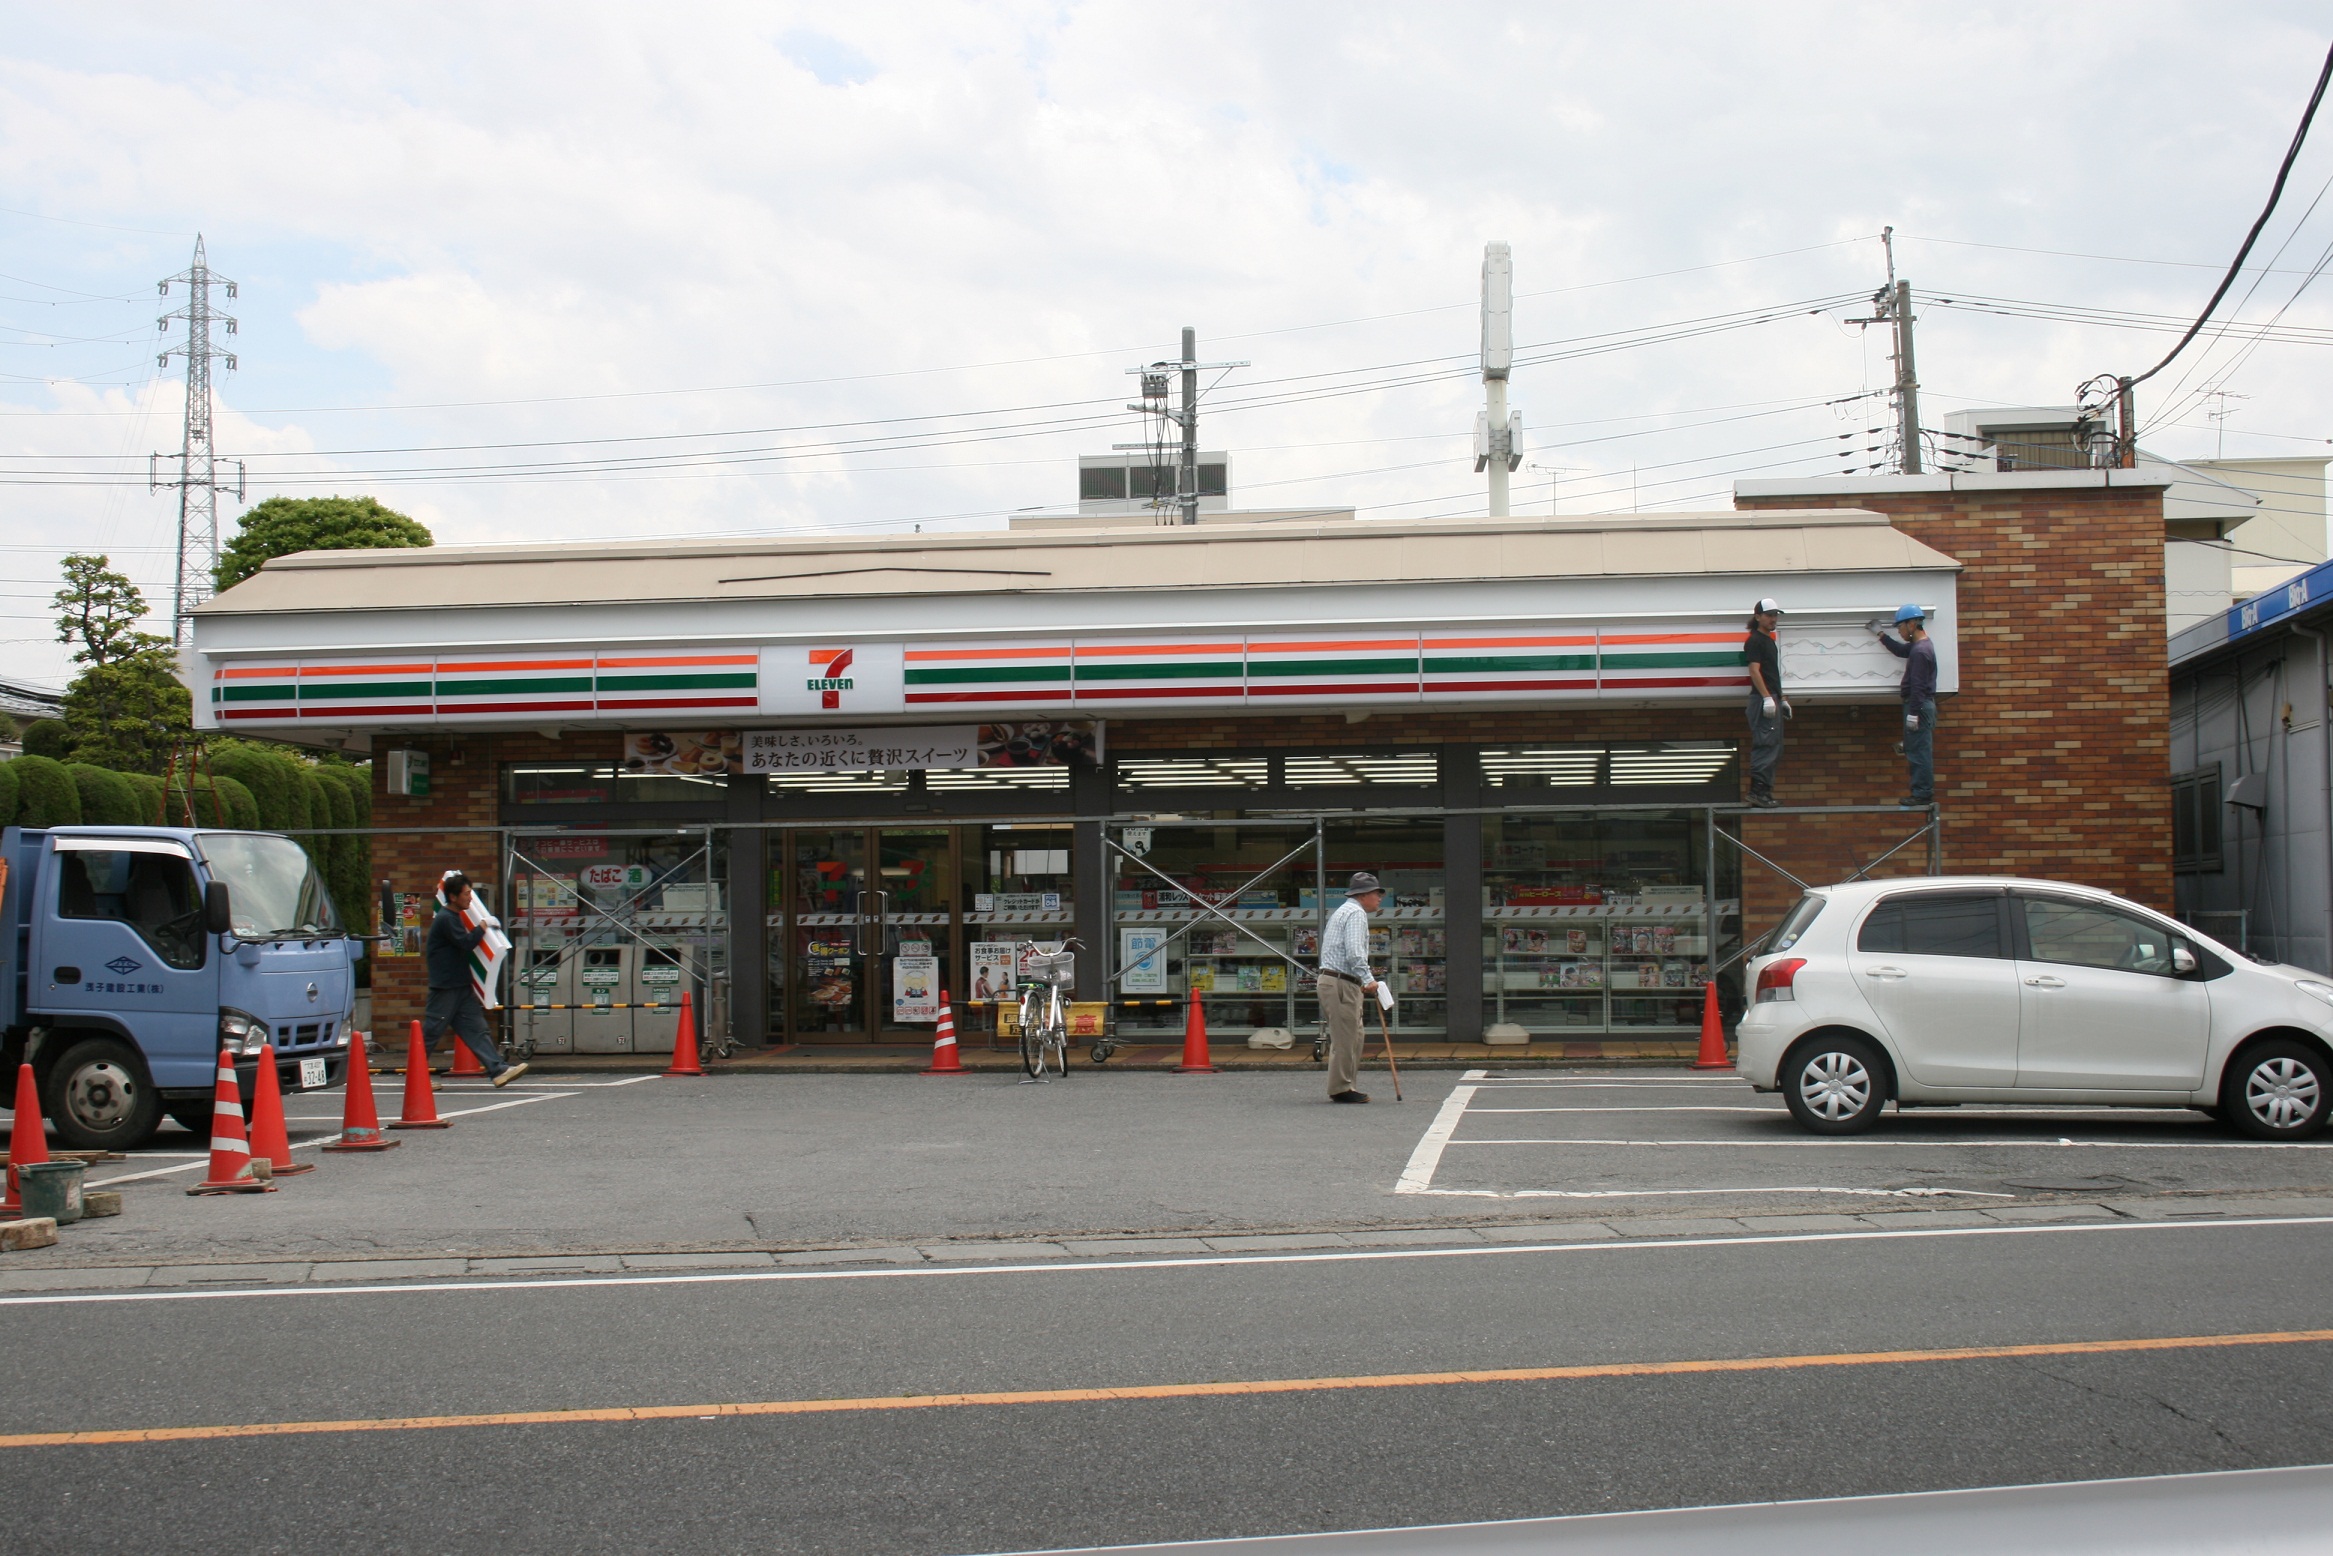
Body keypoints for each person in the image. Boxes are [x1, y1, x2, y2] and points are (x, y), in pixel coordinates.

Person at [424, 871, 529, 1087]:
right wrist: (482, 926)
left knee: (477, 1029)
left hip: (459, 985)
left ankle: (498, 1070)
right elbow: (465, 943)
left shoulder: (452, 917)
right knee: (431, 1032)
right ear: (453, 897)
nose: (470, 898)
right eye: (466, 894)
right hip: (446, 987)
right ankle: (416, 1077)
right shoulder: (446, 919)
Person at [1317, 871, 1384, 1104]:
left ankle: (1346, 1084)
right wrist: (1368, 979)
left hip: (1338, 980)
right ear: (1364, 895)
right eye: (1377, 893)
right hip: (1341, 982)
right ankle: (1341, 1088)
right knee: (1346, 1037)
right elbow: (1355, 951)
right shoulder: (1355, 913)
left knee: (1354, 1035)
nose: (1379, 898)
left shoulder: (1344, 911)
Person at [1873, 604, 1939, 807]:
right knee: (1916, 748)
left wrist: (1913, 714)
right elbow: (1901, 650)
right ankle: (1921, 791)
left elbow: (1918, 686)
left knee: (1918, 751)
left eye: (1900, 627)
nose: (1900, 632)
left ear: (1912, 624)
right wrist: (1881, 635)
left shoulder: (1920, 651)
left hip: (1918, 705)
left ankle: (1922, 794)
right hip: (1921, 705)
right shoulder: (1920, 646)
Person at [1742, 598, 1790, 808]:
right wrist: (1767, 698)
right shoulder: (1755, 640)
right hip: (1763, 699)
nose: (1773, 619)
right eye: (1769, 615)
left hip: (1771, 697)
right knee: (1766, 744)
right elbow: (1754, 670)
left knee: (1774, 746)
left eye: (1775, 615)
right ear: (1758, 616)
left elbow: (1772, 674)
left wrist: (1782, 698)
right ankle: (1757, 792)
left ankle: (1765, 791)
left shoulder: (1769, 640)